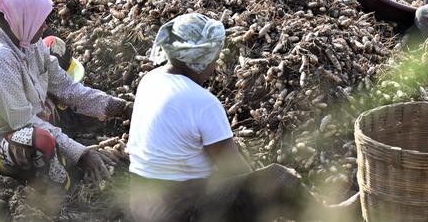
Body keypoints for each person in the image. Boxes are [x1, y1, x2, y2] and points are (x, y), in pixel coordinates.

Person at [127, 14, 338, 222]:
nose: (215, 62)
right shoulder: (202, 102)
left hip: (141, 205)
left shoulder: (151, 79)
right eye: (215, 56)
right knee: (278, 177)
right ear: (202, 59)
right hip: (179, 212)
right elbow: (235, 171)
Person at [0, 0, 130, 190]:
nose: (44, 26)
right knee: (38, 141)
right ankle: (61, 189)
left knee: (55, 52)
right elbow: (23, 123)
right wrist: (81, 153)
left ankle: (61, 154)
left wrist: (119, 108)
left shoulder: (29, 43)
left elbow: (67, 88)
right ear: (21, 19)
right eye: (40, 20)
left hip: (14, 123)